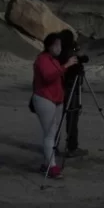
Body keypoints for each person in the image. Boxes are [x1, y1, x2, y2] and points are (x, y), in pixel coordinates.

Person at [32, 33, 78, 179]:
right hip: (45, 99)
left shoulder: (54, 60)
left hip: (56, 100)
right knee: (50, 134)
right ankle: (52, 167)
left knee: (53, 132)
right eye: (57, 45)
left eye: (60, 45)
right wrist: (66, 65)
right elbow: (48, 76)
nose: (59, 48)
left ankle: (47, 163)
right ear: (49, 45)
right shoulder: (42, 59)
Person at [56, 29, 88, 158]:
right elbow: (71, 69)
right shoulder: (68, 54)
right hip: (69, 90)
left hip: (58, 90)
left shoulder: (58, 53)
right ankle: (72, 148)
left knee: (57, 119)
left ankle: (52, 147)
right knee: (72, 119)